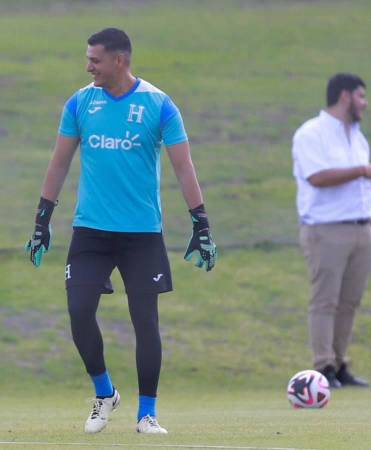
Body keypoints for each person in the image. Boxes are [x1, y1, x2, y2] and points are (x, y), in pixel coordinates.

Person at [25, 28, 217, 434]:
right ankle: (105, 393)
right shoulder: (80, 103)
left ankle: (147, 414)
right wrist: (43, 219)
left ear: (119, 61)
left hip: (141, 234)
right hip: (90, 231)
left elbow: (184, 167)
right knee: (79, 312)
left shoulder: (159, 105)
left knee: (144, 321)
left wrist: (200, 221)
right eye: (87, 58)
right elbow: (59, 163)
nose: (88, 65)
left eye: (95, 59)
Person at [292, 73, 371, 388]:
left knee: (350, 302)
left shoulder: (357, 135)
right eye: (361, 96)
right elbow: (317, 177)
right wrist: (361, 171)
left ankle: (340, 363)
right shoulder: (311, 133)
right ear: (345, 96)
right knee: (325, 300)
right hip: (326, 230)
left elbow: (361, 188)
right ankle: (323, 366)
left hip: (362, 228)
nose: (365, 104)